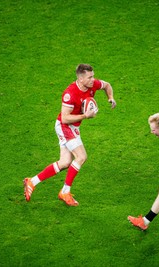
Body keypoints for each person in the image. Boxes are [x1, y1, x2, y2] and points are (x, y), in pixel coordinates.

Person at [23, 64, 116, 206]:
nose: (93, 79)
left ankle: (32, 181)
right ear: (80, 78)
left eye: (93, 76)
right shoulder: (70, 93)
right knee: (81, 156)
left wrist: (110, 98)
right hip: (65, 126)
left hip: (73, 127)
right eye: (90, 77)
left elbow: (107, 85)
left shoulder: (92, 84)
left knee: (65, 162)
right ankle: (65, 192)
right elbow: (65, 118)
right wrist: (85, 115)